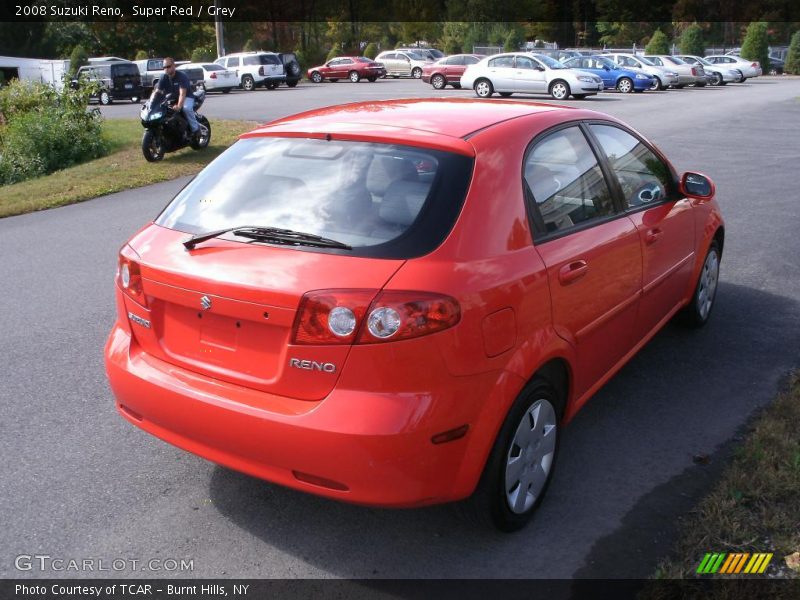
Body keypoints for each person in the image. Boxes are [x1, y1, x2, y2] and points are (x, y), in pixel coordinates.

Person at [154, 57, 206, 139]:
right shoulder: (163, 77)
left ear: (174, 66)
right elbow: (157, 92)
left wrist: (179, 106)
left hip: (187, 97)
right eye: (164, 67)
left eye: (168, 66)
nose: (166, 69)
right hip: (172, 98)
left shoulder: (181, 76)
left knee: (186, 108)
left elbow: (182, 93)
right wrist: (151, 102)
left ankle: (196, 130)